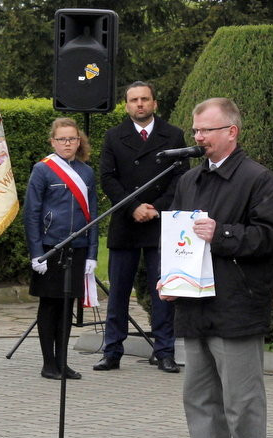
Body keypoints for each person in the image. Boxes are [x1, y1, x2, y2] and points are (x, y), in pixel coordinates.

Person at [162, 98, 273, 438]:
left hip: (236, 303)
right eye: (195, 131)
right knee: (198, 394)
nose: (198, 138)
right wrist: (170, 279)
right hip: (195, 302)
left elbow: (269, 237)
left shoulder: (258, 178)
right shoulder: (189, 180)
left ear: (231, 131)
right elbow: (179, 239)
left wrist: (224, 234)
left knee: (241, 397)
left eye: (206, 131)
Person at [94, 81, 187, 374]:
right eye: (134, 100)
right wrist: (132, 206)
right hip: (126, 221)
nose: (140, 104)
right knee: (118, 292)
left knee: (163, 292)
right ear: (126, 105)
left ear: (155, 103)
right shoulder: (113, 136)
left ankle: (164, 351)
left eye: (145, 99)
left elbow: (180, 177)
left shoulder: (173, 135)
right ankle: (112, 351)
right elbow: (108, 178)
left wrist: (156, 207)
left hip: (161, 223)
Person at [24, 117, 99, 380]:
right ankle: (48, 364)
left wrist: (92, 253)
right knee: (50, 306)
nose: (67, 144)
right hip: (50, 248)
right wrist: (36, 252)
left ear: (79, 141)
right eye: (62, 139)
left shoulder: (87, 172)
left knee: (67, 306)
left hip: (77, 248)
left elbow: (93, 216)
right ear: (53, 141)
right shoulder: (42, 170)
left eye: (72, 139)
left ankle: (63, 361)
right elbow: (31, 213)